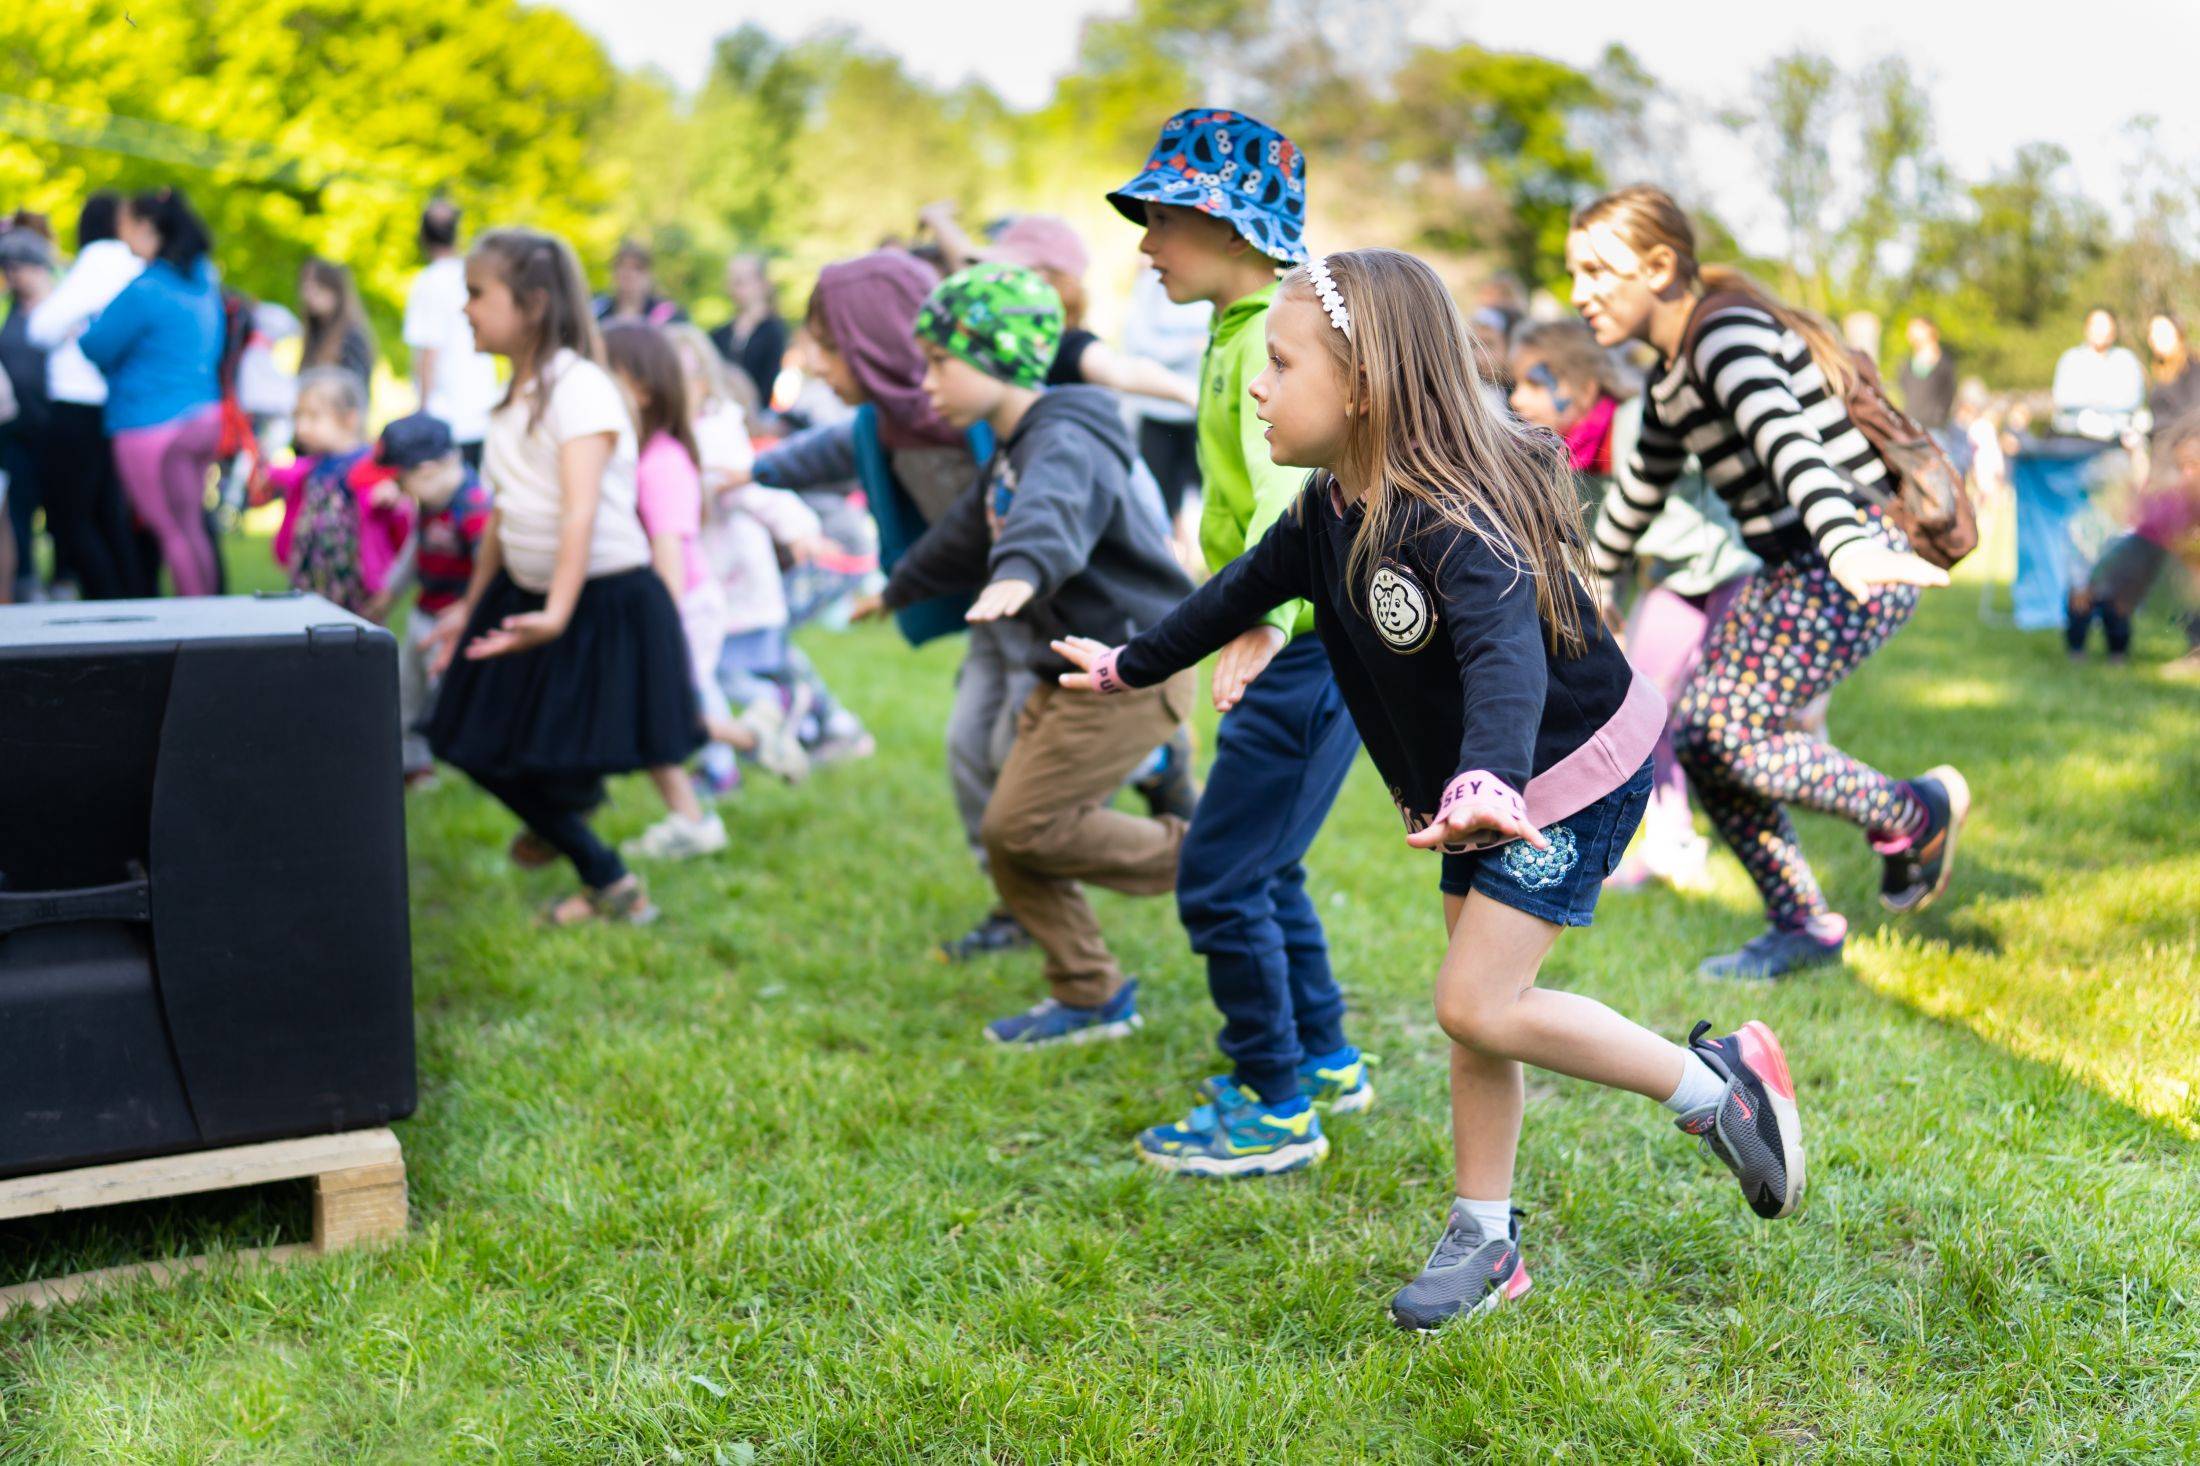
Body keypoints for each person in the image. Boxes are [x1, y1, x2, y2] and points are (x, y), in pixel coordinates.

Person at [1053, 248, 1803, 1322]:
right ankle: (1486, 1239)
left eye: (1281, 362)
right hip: (1484, 793)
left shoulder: (1450, 515)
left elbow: (1509, 655)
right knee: (1478, 1016)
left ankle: (1715, 1089)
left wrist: (1489, 777)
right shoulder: (1326, 508)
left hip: (1567, 776)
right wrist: (1133, 663)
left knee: (1474, 999)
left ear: (1363, 386)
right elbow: (1237, 590)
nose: (1257, 385)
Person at [1569, 184, 1966, 981]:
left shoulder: (1726, 337)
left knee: (1725, 729)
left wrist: (1845, 541)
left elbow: (1787, 441)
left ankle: (1913, 812)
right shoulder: (1677, 376)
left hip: (1854, 550)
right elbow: (1633, 500)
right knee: (1704, 740)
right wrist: (1583, 583)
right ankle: (1803, 921)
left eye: (1599, 272)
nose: (1581, 295)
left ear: (1659, 266)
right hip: (1800, 564)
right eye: (1573, 274)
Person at [1104, 107, 1375, 1172]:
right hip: (1299, 645)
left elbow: (1291, 503)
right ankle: (1323, 1057)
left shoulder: (1274, 337)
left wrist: (1257, 620)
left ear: (1228, 227)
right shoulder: (1238, 330)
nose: (1144, 243)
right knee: (1270, 868)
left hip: (1296, 650)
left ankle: (1272, 1103)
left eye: (1161, 218)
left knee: (1219, 877)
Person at [873, 262, 1197, 1046]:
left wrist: (1021, 572)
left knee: (1023, 827)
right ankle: (1090, 994)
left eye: (941, 362)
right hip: (1073, 674)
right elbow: (963, 531)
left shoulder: (1067, 435)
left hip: (1129, 668)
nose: (927, 383)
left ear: (999, 357)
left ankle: (1214, 858)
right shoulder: (1016, 444)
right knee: (1006, 832)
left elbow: (1049, 516)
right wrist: (896, 589)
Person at [744, 249, 1030, 962]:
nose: (811, 364)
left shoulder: (999, 413)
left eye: (827, 346)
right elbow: (827, 452)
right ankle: (1017, 906)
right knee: (971, 749)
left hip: (1066, 614)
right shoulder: (881, 423)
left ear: (875, 343)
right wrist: (754, 470)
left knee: (1023, 758)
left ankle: (1158, 788)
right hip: (994, 619)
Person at [420, 227, 703, 926]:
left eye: (477, 295)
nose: (465, 310)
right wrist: (469, 605)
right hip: (528, 590)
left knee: (543, 750)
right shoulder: (512, 396)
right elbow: (504, 516)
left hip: (600, 599)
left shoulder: (580, 388)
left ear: (534, 304)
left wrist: (556, 615)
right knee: (460, 733)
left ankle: (595, 859)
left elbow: (579, 514)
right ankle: (594, 854)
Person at [1507, 318, 1760, 892]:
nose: (1517, 398)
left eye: (1530, 382)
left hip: (1727, 570)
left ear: (1575, 383)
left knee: (1711, 721)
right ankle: (1671, 839)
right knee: (1644, 712)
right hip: (1673, 578)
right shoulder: (1579, 455)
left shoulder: (1638, 421)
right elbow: (1605, 548)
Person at [601, 319, 800, 862]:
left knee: (657, 711)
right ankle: (733, 759)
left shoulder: (661, 460)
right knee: (651, 711)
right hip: (673, 602)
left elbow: (669, 550)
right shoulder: (643, 451)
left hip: (679, 604)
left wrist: (654, 626)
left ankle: (727, 768)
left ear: (641, 387)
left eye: (604, 375)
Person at [666, 322, 864, 791]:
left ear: (701, 383)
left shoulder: (712, 434)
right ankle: (746, 742)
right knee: (713, 672)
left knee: (715, 671)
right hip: (710, 574)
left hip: (729, 574)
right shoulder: (682, 435)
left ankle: (761, 727)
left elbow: (755, 491)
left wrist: (802, 530)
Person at [77, 187, 225, 598]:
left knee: (171, 531)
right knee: (191, 525)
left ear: (147, 228)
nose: (122, 238)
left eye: (126, 226)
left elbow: (96, 346)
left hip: (151, 424)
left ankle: (199, 627)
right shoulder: (201, 283)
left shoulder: (146, 290)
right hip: (203, 415)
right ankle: (213, 615)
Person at [919, 207, 1198, 411]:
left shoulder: (1067, 344)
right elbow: (965, 268)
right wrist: (938, 219)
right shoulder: (1008, 333)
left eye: (1009, 269)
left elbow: (1119, 370)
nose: (994, 280)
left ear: (1045, 279)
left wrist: (1190, 394)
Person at [357, 411, 491, 786]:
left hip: (453, 625)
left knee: (448, 695)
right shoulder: (430, 505)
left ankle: (473, 764)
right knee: (406, 692)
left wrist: (468, 608)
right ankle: (414, 766)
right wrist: (388, 594)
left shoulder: (473, 506)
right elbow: (414, 552)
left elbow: (489, 564)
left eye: (401, 480)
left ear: (429, 469)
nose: (398, 490)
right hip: (423, 615)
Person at [27, 193, 150, 600]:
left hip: (77, 403)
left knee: (70, 517)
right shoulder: (138, 266)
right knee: (108, 513)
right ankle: (129, 598)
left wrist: (71, 325)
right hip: (120, 404)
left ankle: (109, 597)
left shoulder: (101, 259)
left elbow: (42, 326)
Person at [268, 367, 410, 617]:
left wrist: (392, 499)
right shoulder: (313, 466)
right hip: (310, 577)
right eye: (298, 417)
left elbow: (400, 514)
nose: (300, 428)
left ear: (349, 419)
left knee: (353, 641)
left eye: (313, 417)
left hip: (352, 583)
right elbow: (285, 474)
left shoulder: (369, 467)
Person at [1119, 267, 1211, 563]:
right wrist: (1187, 347)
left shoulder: (1208, 282)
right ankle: (1169, 566)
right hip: (1157, 414)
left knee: (1205, 501)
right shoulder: (1149, 286)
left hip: (1201, 414)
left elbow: (1213, 341)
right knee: (1159, 503)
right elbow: (1138, 346)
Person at [403, 201, 500, 470]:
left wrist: (422, 414)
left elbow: (428, 351)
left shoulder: (428, 282)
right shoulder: (472, 276)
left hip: (445, 419)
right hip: (481, 412)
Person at [0, 226, 54, 601]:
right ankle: (26, 579)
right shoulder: (11, 313)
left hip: (52, 423)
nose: (15, 274)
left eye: (20, 266)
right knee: (16, 509)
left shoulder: (59, 308)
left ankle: (63, 576)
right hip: (15, 426)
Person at [2052, 307, 2145, 444]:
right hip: (2073, 438)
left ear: (2114, 330)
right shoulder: (2071, 359)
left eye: (2105, 325)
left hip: (2116, 439)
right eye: (2095, 324)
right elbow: (2062, 398)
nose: (2100, 330)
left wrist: (2090, 402)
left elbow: (2132, 400)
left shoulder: (2126, 360)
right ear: (2086, 328)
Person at [709, 253, 788, 413]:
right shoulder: (720, 334)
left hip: (759, 413)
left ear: (762, 283)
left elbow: (770, 382)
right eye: (734, 281)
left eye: (744, 280)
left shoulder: (773, 331)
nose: (738, 287)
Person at [297, 257, 377, 397]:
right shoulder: (317, 332)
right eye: (306, 286)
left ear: (333, 290)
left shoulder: (351, 338)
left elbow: (355, 392)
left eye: (316, 287)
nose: (308, 295)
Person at [593, 239, 686, 327]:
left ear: (649, 275)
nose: (628, 274)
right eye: (621, 267)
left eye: (637, 268)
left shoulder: (668, 313)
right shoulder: (597, 309)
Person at [2144, 313, 2200, 449]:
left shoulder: (2193, 368)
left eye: (2161, 332)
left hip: (2186, 451)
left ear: (2179, 334)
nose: (2154, 338)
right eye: (2152, 332)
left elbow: (2193, 413)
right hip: (2164, 449)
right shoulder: (2158, 373)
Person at [1897, 315, 1958, 434]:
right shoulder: (1906, 365)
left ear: (1929, 330)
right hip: (1911, 425)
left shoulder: (1944, 364)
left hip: (1935, 428)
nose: (1911, 333)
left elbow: (1949, 393)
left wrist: (1938, 417)